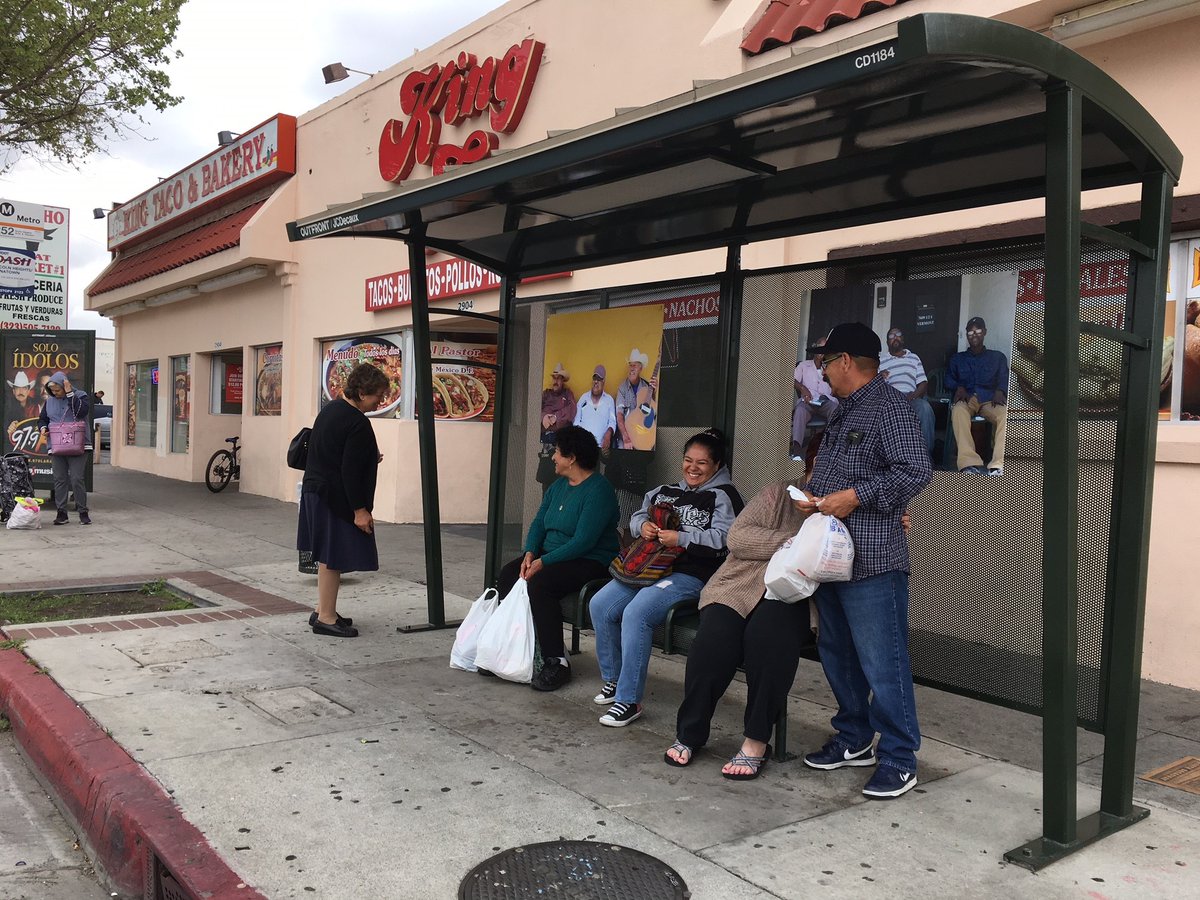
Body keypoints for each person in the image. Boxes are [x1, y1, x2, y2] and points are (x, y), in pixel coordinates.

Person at [795, 321, 932, 800]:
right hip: (831, 557)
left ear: (847, 362)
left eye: (826, 362)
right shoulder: (840, 411)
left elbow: (915, 472)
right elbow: (840, 475)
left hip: (874, 560)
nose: (822, 371)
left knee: (883, 662)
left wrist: (855, 496)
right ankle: (855, 739)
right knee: (838, 655)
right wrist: (813, 497)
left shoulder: (891, 407)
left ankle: (899, 757)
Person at [661, 479, 815, 779]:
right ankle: (690, 731)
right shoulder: (778, 492)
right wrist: (795, 541)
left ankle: (756, 741)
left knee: (768, 639)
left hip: (796, 594)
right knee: (714, 640)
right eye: (813, 473)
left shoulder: (846, 507)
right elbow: (738, 538)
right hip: (738, 584)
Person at [589, 429, 743, 727]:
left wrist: (682, 538)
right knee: (601, 605)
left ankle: (628, 700)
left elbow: (727, 539)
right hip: (647, 566)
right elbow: (637, 515)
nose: (693, 468)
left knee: (637, 613)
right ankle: (615, 679)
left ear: (717, 465)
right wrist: (642, 526)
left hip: (689, 574)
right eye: (688, 460)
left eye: (702, 463)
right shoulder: (666, 490)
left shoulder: (724, 497)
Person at [493, 425, 618, 691]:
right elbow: (539, 522)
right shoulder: (558, 486)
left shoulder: (599, 490)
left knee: (541, 583)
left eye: (557, 452)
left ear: (571, 458)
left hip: (590, 560)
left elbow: (584, 541)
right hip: (551, 554)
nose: (553, 458)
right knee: (507, 575)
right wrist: (530, 552)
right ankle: (516, 649)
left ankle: (556, 661)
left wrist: (543, 562)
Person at [298, 363, 390, 638]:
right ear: (362, 392)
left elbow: (331, 452)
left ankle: (324, 610)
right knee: (333, 557)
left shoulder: (330, 410)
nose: (381, 401)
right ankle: (326, 617)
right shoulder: (358, 422)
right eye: (378, 395)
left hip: (316, 491)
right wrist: (360, 510)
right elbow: (348, 470)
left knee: (329, 556)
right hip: (335, 497)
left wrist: (368, 458)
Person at [944, 316, 1008, 474]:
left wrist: (1000, 390)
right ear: (966, 335)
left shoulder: (997, 357)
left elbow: (1004, 376)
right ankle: (968, 463)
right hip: (967, 399)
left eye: (978, 330)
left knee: (1006, 415)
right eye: (970, 331)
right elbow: (948, 379)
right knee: (958, 411)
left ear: (984, 332)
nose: (974, 334)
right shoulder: (958, 359)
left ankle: (998, 464)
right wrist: (958, 387)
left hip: (989, 400)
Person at [38, 372, 92, 525]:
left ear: (65, 385)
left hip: (79, 444)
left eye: (58, 389)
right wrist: (43, 428)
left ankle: (82, 511)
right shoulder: (49, 402)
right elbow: (43, 419)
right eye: (52, 390)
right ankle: (61, 512)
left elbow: (81, 412)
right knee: (59, 479)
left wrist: (69, 394)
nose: (55, 393)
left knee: (76, 478)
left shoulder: (80, 396)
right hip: (56, 445)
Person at [879, 327, 935, 454]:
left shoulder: (914, 358)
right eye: (891, 336)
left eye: (898, 334)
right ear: (887, 342)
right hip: (889, 399)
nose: (895, 337)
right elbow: (872, 385)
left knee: (925, 408)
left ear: (903, 339)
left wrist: (914, 396)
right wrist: (879, 376)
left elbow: (923, 382)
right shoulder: (881, 361)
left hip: (911, 398)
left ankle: (926, 456)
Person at [791, 336, 838, 460]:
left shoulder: (831, 367)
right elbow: (792, 379)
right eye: (820, 348)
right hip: (808, 401)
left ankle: (832, 448)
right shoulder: (803, 365)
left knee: (835, 410)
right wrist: (802, 388)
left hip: (826, 402)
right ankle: (796, 451)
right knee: (800, 410)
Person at [615, 349, 655, 448]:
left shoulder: (647, 387)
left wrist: (655, 391)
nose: (632, 368)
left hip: (642, 433)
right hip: (626, 433)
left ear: (640, 369)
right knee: (621, 453)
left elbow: (652, 412)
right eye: (630, 365)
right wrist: (625, 437)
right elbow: (619, 415)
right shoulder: (622, 388)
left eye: (635, 365)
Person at [573, 365, 616, 453]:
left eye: (599, 379)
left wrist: (608, 434)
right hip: (583, 445)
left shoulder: (609, 400)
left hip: (601, 448)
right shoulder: (583, 398)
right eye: (594, 378)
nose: (596, 381)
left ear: (604, 381)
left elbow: (612, 421)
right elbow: (576, 421)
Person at [539, 362, 576, 441]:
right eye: (554, 378)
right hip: (543, 435)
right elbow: (535, 407)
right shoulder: (546, 393)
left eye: (558, 378)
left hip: (561, 436)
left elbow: (572, 409)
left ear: (562, 380)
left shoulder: (567, 393)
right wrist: (543, 416)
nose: (555, 381)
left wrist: (556, 417)